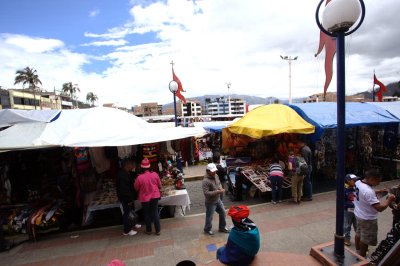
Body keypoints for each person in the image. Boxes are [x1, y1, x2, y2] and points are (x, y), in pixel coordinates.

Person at [353, 169, 396, 257]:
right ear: (372, 178)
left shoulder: (358, 183)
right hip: (368, 218)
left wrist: (378, 191)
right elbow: (379, 208)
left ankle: (357, 251)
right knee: (365, 239)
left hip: (359, 214)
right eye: (378, 181)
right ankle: (362, 257)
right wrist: (389, 200)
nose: (378, 183)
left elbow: (364, 193)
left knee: (359, 233)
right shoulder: (368, 191)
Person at [134, 158, 162, 235]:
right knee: (155, 212)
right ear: (149, 167)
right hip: (155, 196)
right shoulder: (155, 174)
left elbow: (136, 188)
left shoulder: (139, 177)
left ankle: (149, 230)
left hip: (144, 198)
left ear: (142, 167)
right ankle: (158, 230)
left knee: (146, 213)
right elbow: (160, 185)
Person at [202, 163, 229, 235]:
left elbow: (219, 183)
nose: (214, 172)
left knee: (223, 213)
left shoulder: (216, 176)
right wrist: (217, 192)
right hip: (210, 202)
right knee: (209, 216)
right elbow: (206, 193)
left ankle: (222, 227)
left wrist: (220, 187)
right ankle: (207, 230)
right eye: (212, 171)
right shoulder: (205, 181)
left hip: (218, 200)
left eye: (215, 171)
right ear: (208, 171)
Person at [116, 159, 140, 236]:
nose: (133, 166)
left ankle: (133, 224)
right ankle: (127, 230)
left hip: (129, 196)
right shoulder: (122, 175)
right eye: (132, 165)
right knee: (127, 213)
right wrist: (129, 199)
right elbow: (124, 189)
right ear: (127, 165)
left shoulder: (126, 172)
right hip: (126, 198)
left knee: (131, 212)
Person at [343, 173, 358, 246]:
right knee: (347, 225)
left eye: (356, 180)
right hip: (348, 210)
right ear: (348, 181)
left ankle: (359, 240)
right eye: (353, 180)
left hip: (357, 210)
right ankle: (347, 239)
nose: (355, 181)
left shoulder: (356, 187)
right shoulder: (344, 189)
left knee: (357, 225)